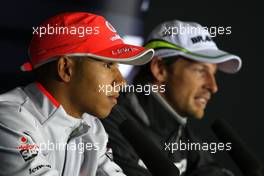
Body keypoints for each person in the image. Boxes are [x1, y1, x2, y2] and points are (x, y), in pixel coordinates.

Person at [0, 12, 154, 176]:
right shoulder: (8, 121)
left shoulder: (93, 128)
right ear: (66, 69)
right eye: (108, 65)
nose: (121, 82)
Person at [101, 20, 242, 176]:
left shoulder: (179, 129)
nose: (213, 86)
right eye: (201, 71)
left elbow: (209, 171)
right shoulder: (110, 121)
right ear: (160, 69)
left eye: (213, 73)